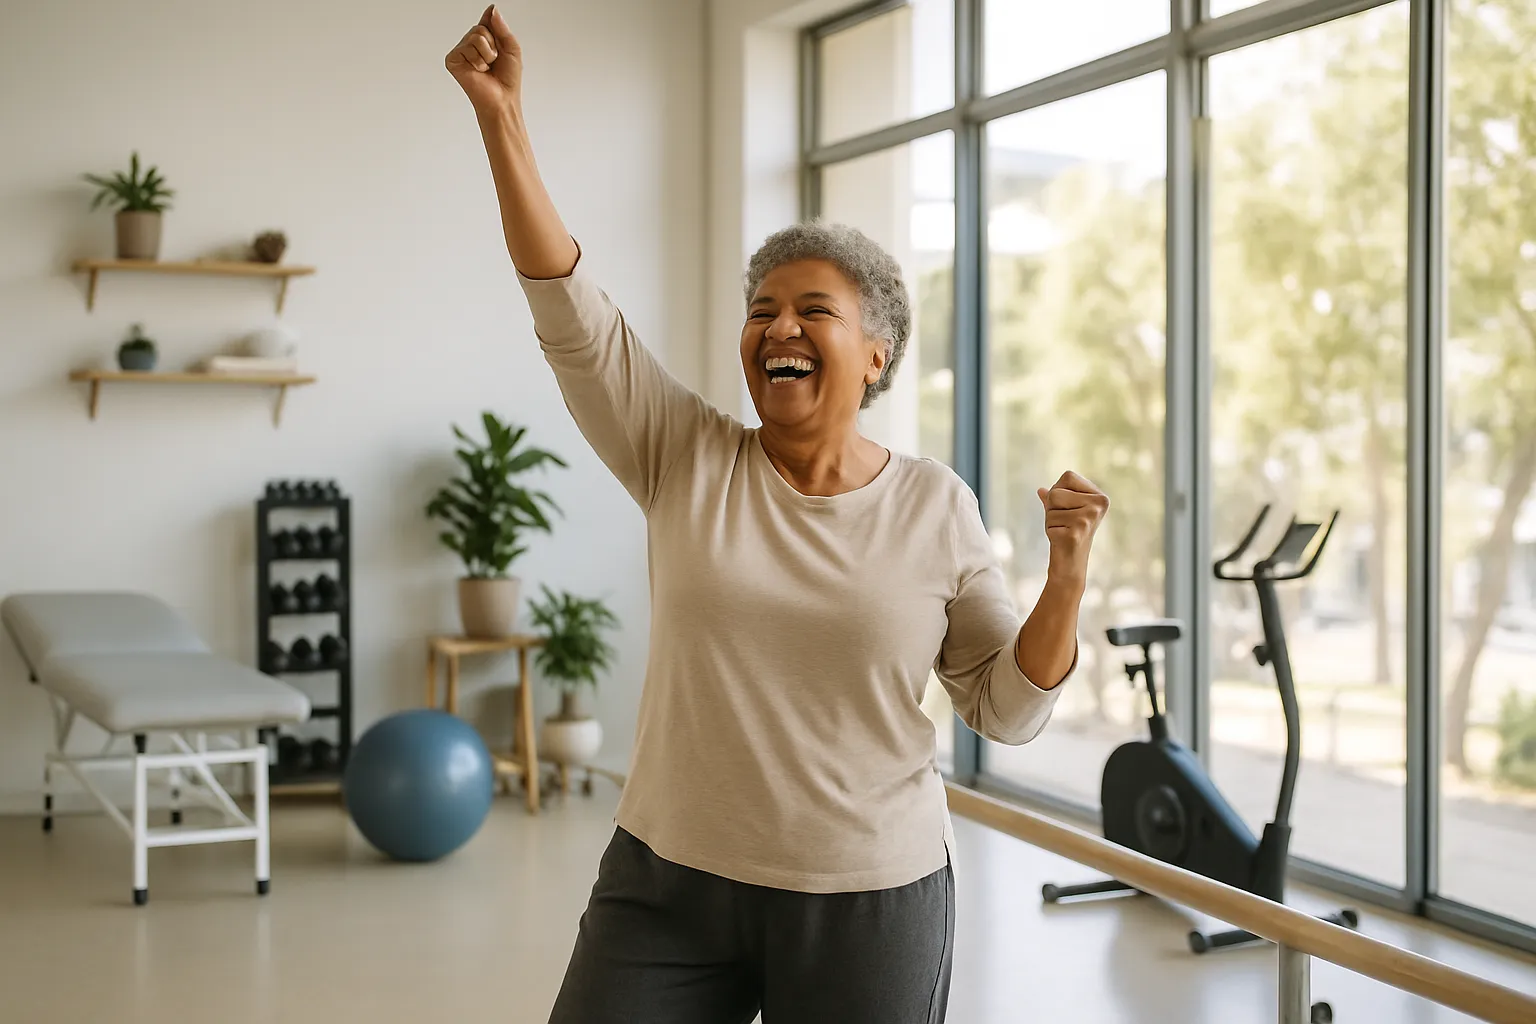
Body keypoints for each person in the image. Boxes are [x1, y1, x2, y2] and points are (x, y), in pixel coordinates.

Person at [446, 8, 1109, 1023]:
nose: (777, 326)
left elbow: (1006, 710)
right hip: (665, 881)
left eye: (813, 310)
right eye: (761, 310)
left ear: (876, 352)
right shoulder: (685, 454)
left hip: (868, 899)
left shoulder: (936, 505)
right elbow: (574, 316)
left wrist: (1065, 580)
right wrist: (503, 121)